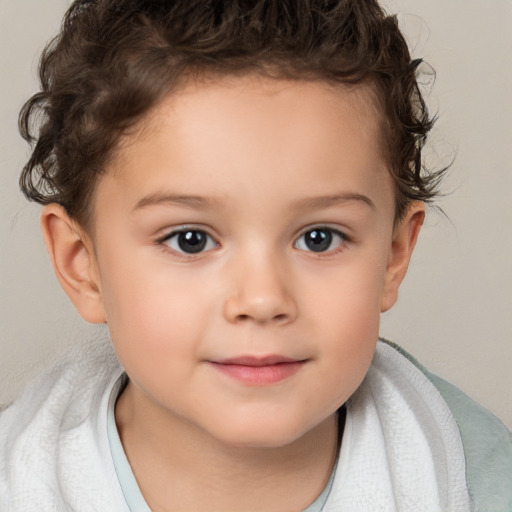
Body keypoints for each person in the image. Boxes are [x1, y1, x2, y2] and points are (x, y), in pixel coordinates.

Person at [0, 0, 510, 510]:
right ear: (81, 265)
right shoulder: (20, 480)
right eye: (190, 239)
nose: (263, 300)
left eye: (319, 238)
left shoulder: (474, 482)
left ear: (394, 256)